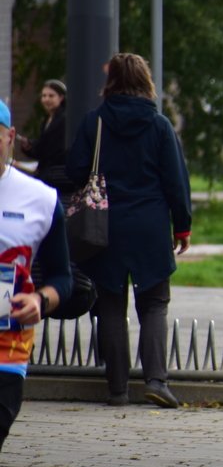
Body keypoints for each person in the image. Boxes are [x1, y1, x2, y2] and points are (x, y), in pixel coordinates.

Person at [66, 53, 191, 409]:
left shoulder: (95, 123)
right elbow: (175, 180)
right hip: (150, 224)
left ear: (112, 82)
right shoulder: (159, 125)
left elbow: (76, 169)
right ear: (145, 80)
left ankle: (117, 390)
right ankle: (156, 381)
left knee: (110, 304)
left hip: (105, 226)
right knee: (153, 303)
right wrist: (182, 226)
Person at [0, 100, 72, 467]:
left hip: (9, 341)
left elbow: (64, 277)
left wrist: (40, 300)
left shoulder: (41, 198)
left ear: (10, 138)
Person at [16, 80, 72, 194]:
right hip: (49, 173)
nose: (46, 99)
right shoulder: (47, 120)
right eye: (44, 96)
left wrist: (32, 146)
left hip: (56, 175)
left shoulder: (62, 120)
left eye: (51, 96)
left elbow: (48, 148)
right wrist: (29, 146)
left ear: (61, 98)